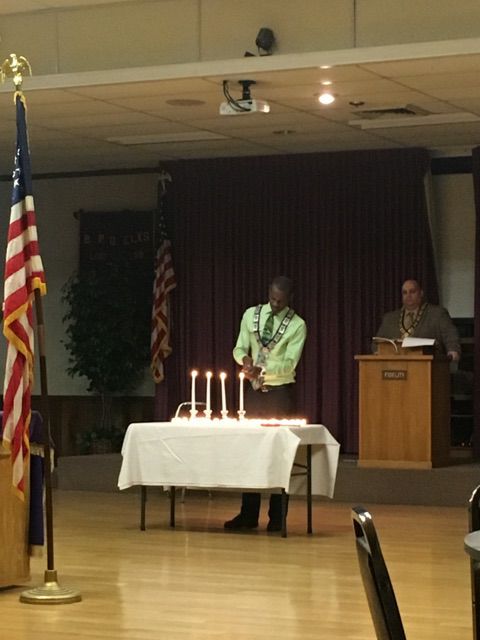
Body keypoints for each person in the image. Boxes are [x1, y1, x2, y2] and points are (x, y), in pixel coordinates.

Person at [224, 275, 307, 532]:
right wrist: (245, 361)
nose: (275, 305)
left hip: (279, 391)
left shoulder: (297, 325)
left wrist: (263, 367)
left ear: (290, 299)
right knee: (251, 454)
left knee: (279, 454)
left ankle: (277, 517)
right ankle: (248, 515)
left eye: (280, 302)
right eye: (272, 299)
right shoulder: (251, 315)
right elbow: (238, 348)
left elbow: (290, 362)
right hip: (254, 392)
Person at [375, 279, 461, 360]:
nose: (408, 295)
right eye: (405, 293)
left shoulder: (437, 314)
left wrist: (453, 351)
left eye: (412, 292)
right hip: (394, 366)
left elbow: (450, 336)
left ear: (421, 293)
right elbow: (377, 343)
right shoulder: (389, 318)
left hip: (428, 366)